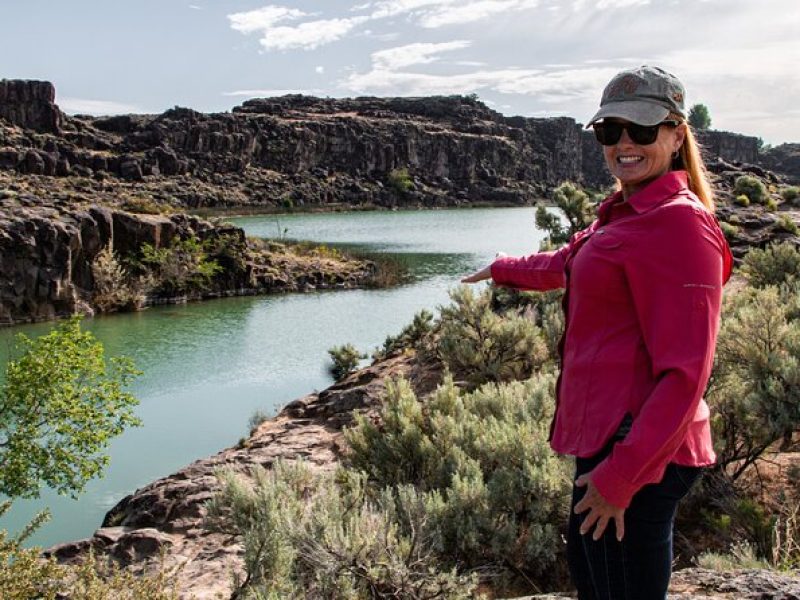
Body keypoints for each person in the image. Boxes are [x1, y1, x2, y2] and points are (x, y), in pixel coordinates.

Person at [461, 65, 733, 599]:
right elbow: (569, 262)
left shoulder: (678, 224)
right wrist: (501, 267)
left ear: (677, 134)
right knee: (596, 581)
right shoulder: (626, 213)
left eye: (641, 130)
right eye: (610, 131)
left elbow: (686, 374)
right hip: (613, 438)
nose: (623, 143)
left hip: (639, 450)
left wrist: (621, 478)